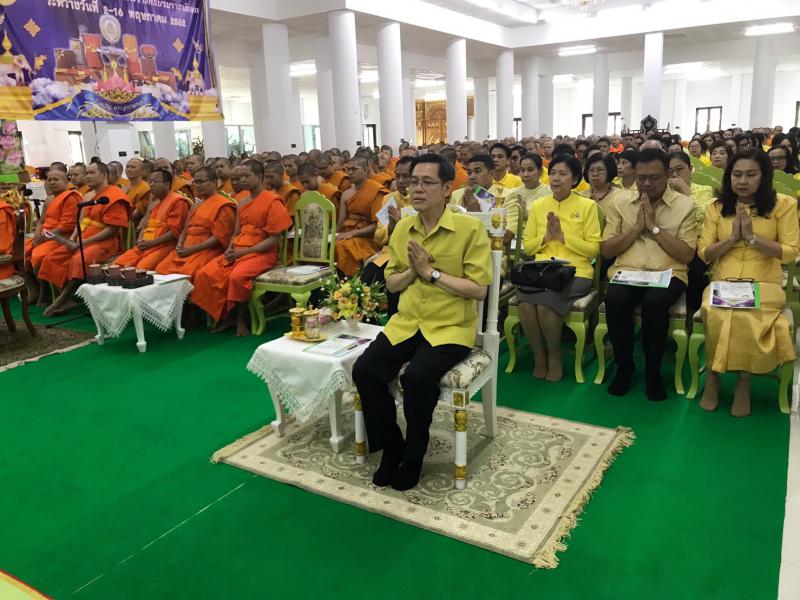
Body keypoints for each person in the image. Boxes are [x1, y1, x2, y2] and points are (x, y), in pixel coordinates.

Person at [351, 153, 492, 491]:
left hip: (450, 327)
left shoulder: (469, 229)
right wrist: (413, 272)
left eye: (427, 182)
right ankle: (392, 446)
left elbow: (478, 290)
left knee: (416, 378)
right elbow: (391, 283)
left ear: (446, 188)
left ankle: (414, 455)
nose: (417, 188)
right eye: (414, 181)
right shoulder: (403, 229)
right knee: (365, 370)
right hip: (408, 322)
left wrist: (431, 273)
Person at [698, 149, 800, 416]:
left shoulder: (783, 205)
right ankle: (714, 375)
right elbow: (704, 253)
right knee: (716, 310)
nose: (742, 181)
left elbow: (790, 253)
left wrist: (754, 238)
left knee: (745, 313)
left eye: (751, 175)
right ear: (728, 177)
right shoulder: (716, 207)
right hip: (725, 279)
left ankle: (744, 381)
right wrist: (732, 239)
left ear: (764, 177)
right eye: (737, 174)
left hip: (764, 282)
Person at [601, 148, 696, 401]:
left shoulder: (685, 205)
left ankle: (653, 372)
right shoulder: (620, 202)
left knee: (655, 303)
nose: (645, 184)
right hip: (628, 271)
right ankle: (624, 366)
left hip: (668, 273)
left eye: (653, 178)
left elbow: (687, 255)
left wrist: (653, 227)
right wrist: (636, 228)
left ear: (668, 175)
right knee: (615, 299)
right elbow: (607, 249)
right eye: (641, 177)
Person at [517, 154, 601, 381]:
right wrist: (546, 237)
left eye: (563, 174)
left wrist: (563, 237)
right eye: (553, 173)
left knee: (546, 304)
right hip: (542, 271)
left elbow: (594, 250)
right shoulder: (538, 206)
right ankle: (539, 356)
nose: (556, 178)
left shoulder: (588, 206)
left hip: (577, 272)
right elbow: (528, 246)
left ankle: (554, 356)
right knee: (525, 304)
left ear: (574, 179)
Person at [192, 160, 292, 336]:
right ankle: (225, 315)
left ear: (259, 176)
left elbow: (275, 239)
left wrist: (245, 252)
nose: (242, 180)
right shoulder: (243, 203)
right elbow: (236, 232)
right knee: (206, 273)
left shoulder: (273, 201)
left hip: (263, 253)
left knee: (236, 277)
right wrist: (230, 249)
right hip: (238, 250)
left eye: (247, 176)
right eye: (240, 177)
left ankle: (240, 319)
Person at [42, 163, 130, 317]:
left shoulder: (115, 196)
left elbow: (112, 229)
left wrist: (84, 243)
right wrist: (72, 239)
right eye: (87, 173)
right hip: (83, 239)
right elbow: (82, 221)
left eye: (91, 173)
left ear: (104, 175)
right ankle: (69, 299)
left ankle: (62, 299)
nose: (87, 176)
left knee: (78, 260)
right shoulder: (90, 196)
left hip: (105, 243)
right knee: (51, 258)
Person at [155, 167, 236, 278]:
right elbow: (185, 229)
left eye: (201, 182)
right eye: (196, 182)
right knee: (161, 269)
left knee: (186, 274)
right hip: (186, 248)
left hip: (207, 249)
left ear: (214, 182)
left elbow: (220, 237)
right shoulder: (195, 206)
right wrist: (180, 244)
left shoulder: (223, 205)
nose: (198, 186)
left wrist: (192, 249)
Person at [362, 155, 413, 315]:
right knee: (369, 274)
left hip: (411, 255)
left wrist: (401, 223)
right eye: (398, 176)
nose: (401, 181)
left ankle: (395, 320)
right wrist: (391, 226)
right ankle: (371, 322)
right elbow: (378, 237)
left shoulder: (421, 200)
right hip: (390, 253)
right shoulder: (389, 199)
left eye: (406, 176)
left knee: (397, 284)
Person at [23, 168, 80, 304]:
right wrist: (37, 234)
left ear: (66, 181)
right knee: (21, 254)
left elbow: (66, 226)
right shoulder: (50, 199)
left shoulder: (71, 197)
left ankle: (50, 293)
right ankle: (34, 289)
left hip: (61, 237)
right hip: (45, 236)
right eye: (49, 180)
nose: (52, 182)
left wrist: (43, 237)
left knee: (38, 256)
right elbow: (41, 221)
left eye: (56, 179)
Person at [115, 169, 191, 270]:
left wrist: (152, 243)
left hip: (165, 245)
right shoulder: (155, 203)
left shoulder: (178, 202)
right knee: (118, 263)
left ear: (167, 184)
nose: (151, 185)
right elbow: (147, 226)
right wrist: (140, 240)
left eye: (155, 181)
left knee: (142, 268)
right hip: (146, 245)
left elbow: (175, 232)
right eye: (150, 181)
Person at [335, 156, 388, 277]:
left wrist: (354, 233)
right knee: (330, 245)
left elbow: (378, 225)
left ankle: (351, 280)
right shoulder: (346, 194)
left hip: (368, 238)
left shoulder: (376, 191)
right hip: (348, 234)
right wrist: (333, 235)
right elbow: (341, 223)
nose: (350, 172)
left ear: (365, 170)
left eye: (354, 169)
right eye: (348, 169)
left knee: (341, 246)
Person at [505, 153, 551, 237]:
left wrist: (527, 215)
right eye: (522, 170)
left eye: (530, 170)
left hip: (540, 238)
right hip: (513, 238)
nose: (525, 174)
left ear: (540, 171)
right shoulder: (512, 193)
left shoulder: (550, 193)